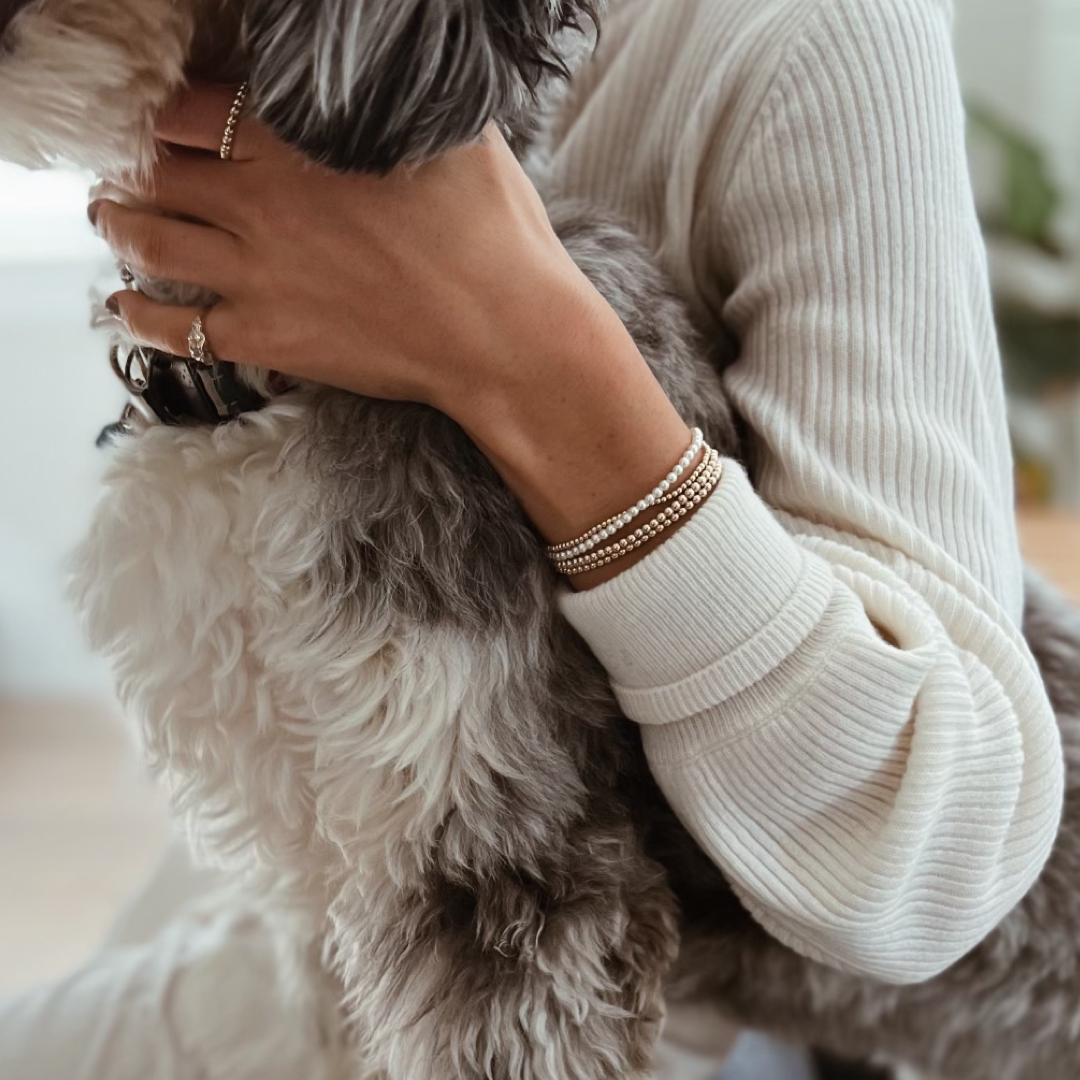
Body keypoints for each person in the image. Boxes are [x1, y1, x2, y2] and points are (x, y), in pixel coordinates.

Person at [2, 0, 1064, 1075]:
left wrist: (520, 347)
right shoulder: (209, 129)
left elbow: (935, 867)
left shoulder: (819, 33)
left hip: (654, 999)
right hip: (322, 921)